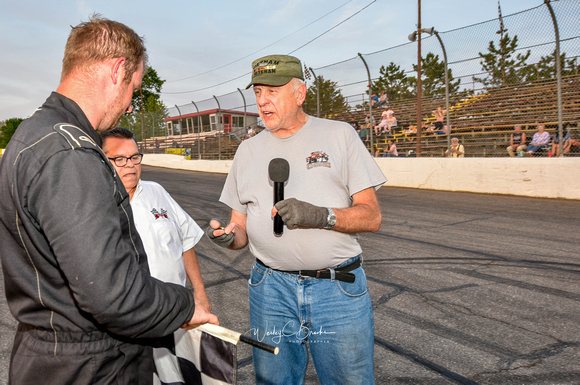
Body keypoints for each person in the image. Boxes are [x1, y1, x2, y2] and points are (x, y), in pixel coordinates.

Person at [0, 16, 217, 385]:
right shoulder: (70, 153)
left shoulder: (33, 134)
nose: (130, 103)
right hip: (90, 366)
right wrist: (185, 303)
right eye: (134, 86)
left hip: (52, 356)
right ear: (118, 70)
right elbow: (115, 297)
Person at [207, 54, 386, 385]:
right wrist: (228, 237)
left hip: (337, 291)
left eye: (272, 91)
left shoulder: (339, 135)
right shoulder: (247, 151)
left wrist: (319, 216)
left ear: (300, 93)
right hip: (270, 291)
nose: (263, 101)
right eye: (258, 92)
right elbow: (241, 230)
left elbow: (372, 216)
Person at [101, 128, 213, 383]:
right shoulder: (96, 205)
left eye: (134, 157)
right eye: (119, 159)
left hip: (176, 315)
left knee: (182, 377)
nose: (130, 165)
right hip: (130, 325)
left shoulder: (156, 191)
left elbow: (185, 241)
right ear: (102, 161)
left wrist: (200, 293)